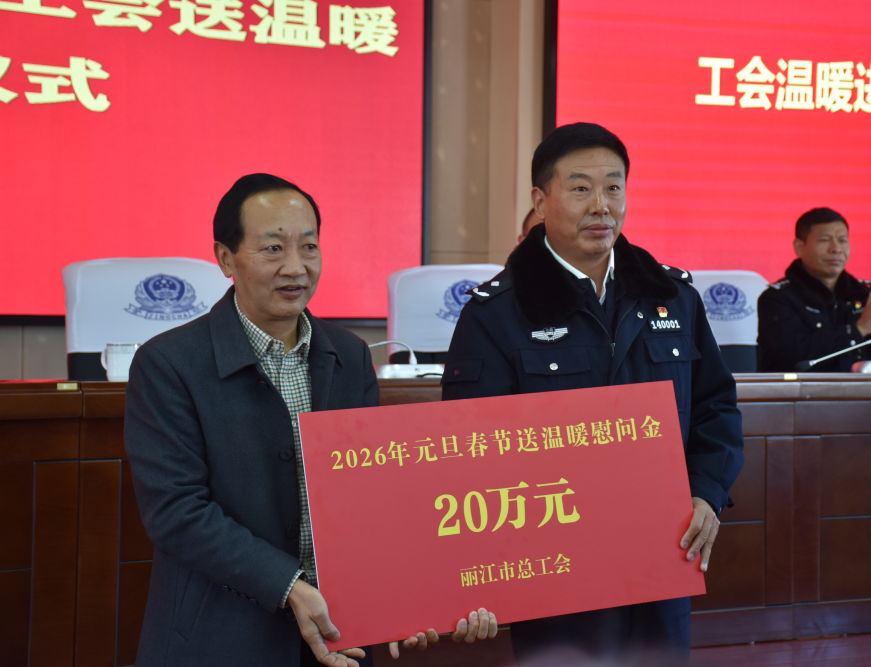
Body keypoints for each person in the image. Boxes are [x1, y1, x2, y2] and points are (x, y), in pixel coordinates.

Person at [125, 173, 496, 667]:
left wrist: (407, 596)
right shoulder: (169, 363)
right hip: (219, 636)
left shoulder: (348, 355)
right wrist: (290, 586)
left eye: (309, 247)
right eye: (273, 249)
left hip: (337, 631)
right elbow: (177, 512)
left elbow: (368, 495)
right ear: (226, 258)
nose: (296, 267)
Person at [442, 123, 744, 663]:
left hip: (661, 547)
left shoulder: (672, 296)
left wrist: (706, 492)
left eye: (613, 187)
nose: (601, 205)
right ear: (541, 200)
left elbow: (715, 405)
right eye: (580, 188)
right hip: (553, 562)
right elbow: (470, 445)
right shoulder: (496, 313)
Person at [757, 207, 871, 372]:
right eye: (825, 240)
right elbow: (791, 358)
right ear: (799, 247)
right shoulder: (777, 299)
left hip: (861, 388)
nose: (836, 248)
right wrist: (859, 329)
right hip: (804, 389)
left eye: (842, 240)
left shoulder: (863, 294)